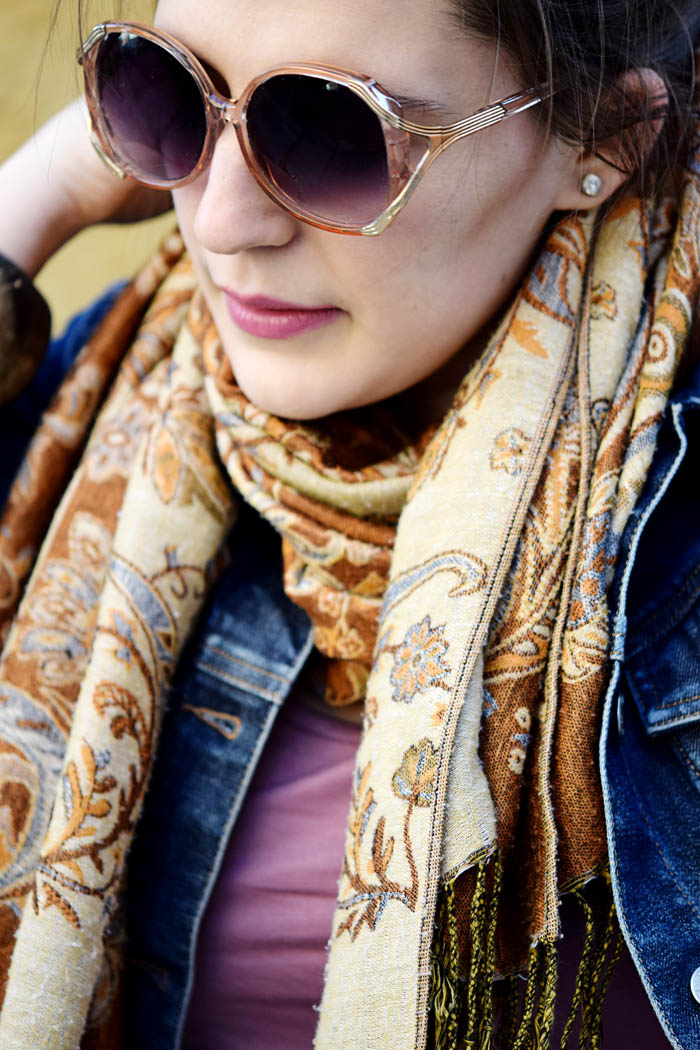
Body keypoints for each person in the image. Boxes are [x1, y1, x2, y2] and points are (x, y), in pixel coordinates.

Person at [0, 0, 698, 1047]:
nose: (221, 221)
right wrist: (38, 196)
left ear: (598, 138)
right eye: (164, 92)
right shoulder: (119, 394)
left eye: (330, 127)